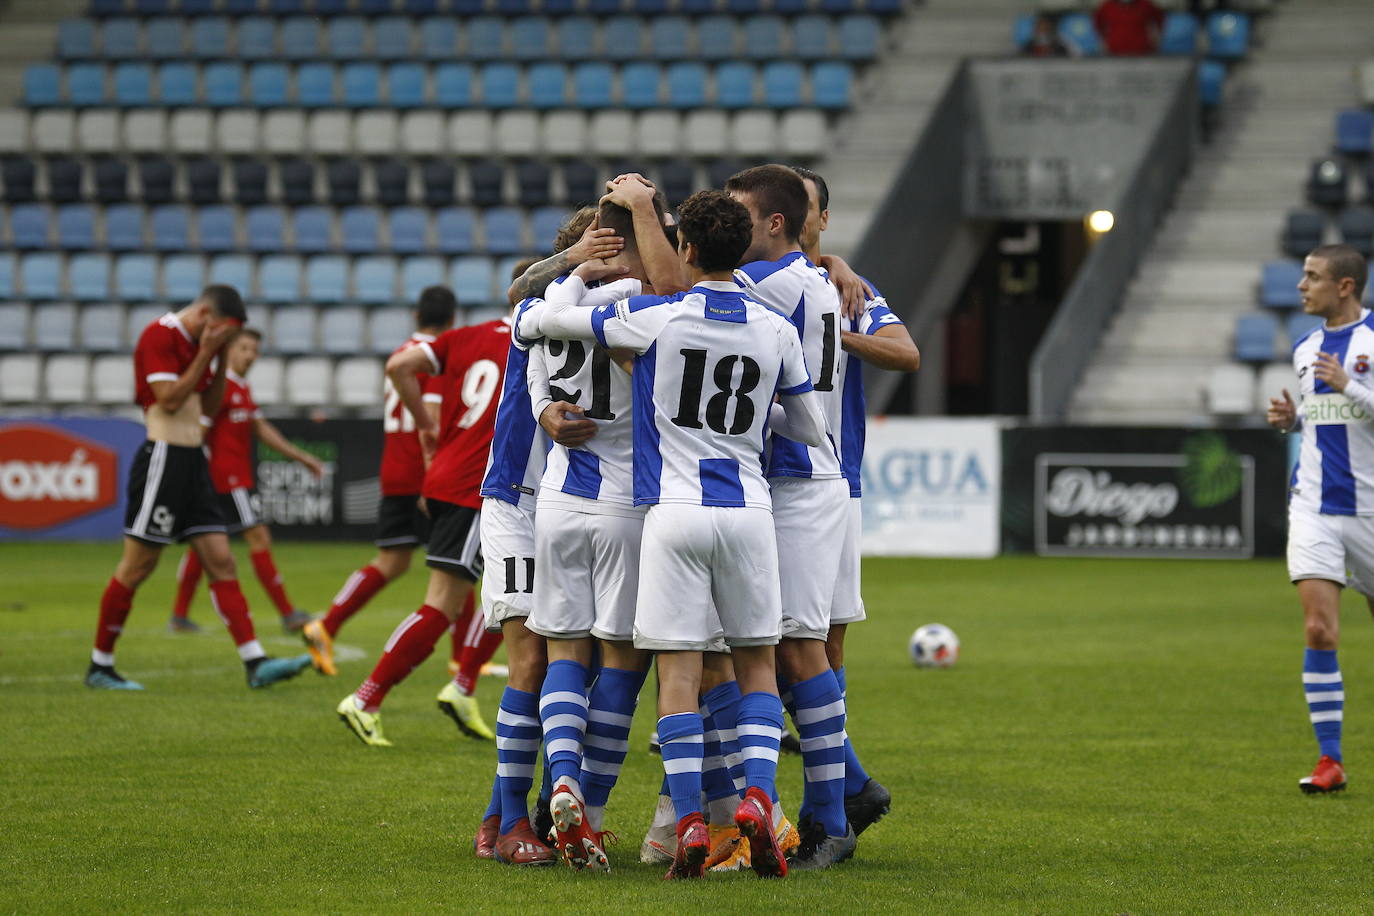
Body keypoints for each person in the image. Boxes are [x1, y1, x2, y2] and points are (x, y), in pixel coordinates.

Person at [517, 188, 826, 879]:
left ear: (682, 248)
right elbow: (808, 430)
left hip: (665, 512)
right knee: (753, 668)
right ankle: (756, 801)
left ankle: (684, 820)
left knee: (677, 675)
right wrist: (748, 424)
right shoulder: (774, 327)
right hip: (748, 510)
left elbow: (539, 323)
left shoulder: (653, 317)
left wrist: (567, 277)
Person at [522, 179, 687, 873]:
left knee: (564, 652)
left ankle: (559, 773)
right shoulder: (642, 304)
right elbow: (675, 297)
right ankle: (586, 813)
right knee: (621, 659)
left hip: (558, 496)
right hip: (626, 498)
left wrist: (570, 270)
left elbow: (524, 320)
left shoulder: (551, 302)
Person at [86, 285, 315, 690]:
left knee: (221, 560)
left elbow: (208, 407)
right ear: (208, 315)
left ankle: (255, 662)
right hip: (164, 459)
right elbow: (169, 400)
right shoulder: (161, 335)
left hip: (194, 463)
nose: (229, 341)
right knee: (138, 566)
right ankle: (100, 665)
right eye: (228, 333)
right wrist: (209, 352)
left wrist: (220, 353)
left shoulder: (206, 346)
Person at [726, 164, 855, 869]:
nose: (726, 228)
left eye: (740, 216)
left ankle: (830, 822)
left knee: (797, 647)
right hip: (792, 482)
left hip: (799, 481)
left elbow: (689, 286)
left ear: (775, 224)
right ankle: (839, 796)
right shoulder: (809, 278)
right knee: (776, 648)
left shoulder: (771, 284)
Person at [793, 165, 919, 841]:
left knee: (814, 645)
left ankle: (839, 792)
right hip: (790, 486)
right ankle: (841, 790)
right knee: (804, 645)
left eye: (810, 207)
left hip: (829, 484)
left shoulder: (848, 291)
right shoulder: (771, 281)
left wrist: (834, 338)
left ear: (821, 220)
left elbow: (906, 353)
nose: (798, 218)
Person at [334, 309, 511, 747]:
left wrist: (428, 428)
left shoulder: (464, 336)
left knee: (514, 592)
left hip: (451, 477)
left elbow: (398, 366)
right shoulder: (534, 338)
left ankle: (463, 686)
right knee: (445, 604)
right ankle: (366, 698)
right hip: (476, 485)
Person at [1265, 244, 1374, 794]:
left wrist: (1349, 385)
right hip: (1313, 507)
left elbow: (1355, 404)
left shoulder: (1372, 343)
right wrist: (1293, 421)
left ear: (1346, 286)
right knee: (1318, 629)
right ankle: (1329, 760)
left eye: (1312, 277)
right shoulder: (1306, 348)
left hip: (1371, 513)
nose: (1301, 287)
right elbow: (1323, 420)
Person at [302, 287, 457, 676]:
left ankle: (327, 624)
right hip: (425, 471)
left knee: (394, 560)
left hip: (394, 467)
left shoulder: (401, 352)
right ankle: (462, 659)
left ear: (416, 315)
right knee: (456, 565)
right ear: (452, 320)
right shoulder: (437, 356)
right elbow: (433, 420)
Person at [168, 328, 323, 635]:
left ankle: (179, 616)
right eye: (244, 348)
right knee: (258, 538)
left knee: (203, 545)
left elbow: (261, 429)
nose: (250, 355)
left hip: (228, 479)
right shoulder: (219, 387)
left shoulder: (239, 387)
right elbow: (197, 431)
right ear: (229, 350)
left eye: (254, 350)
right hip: (227, 479)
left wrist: (302, 457)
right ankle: (288, 613)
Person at [1093, 0, 1164, 56]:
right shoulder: (1107, 6)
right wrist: (1103, 39)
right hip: (1115, 51)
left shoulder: (1146, 5)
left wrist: (1157, 37)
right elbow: (1097, 23)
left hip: (1142, 51)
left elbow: (1160, 19)